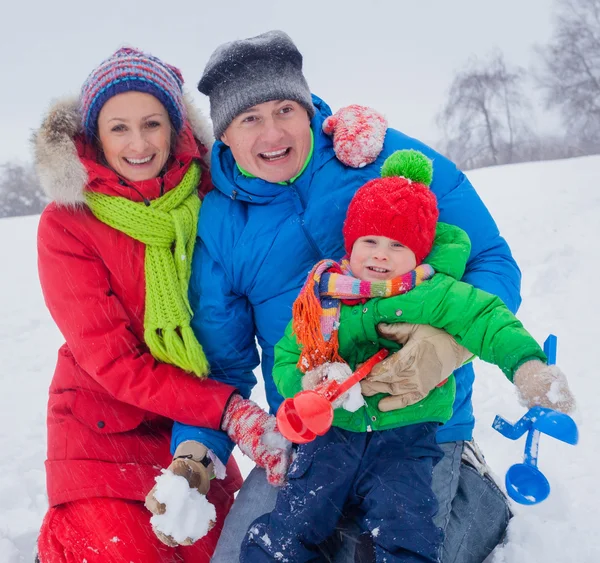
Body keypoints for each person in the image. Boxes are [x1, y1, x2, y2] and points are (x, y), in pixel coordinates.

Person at [146, 30, 530, 562]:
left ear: (308, 110)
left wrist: (449, 343)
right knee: (246, 555)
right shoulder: (221, 224)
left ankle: (474, 494)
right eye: (249, 118)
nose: (273, 131)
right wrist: (195, 453)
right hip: (311, 434)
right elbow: (221, 364)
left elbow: (492, 260)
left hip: (418, 421)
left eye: (285, 109)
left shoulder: (386, 160)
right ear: (225, 136)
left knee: (389, 550)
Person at [239, 150, 576, 562]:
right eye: (370, 241)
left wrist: (527, 367)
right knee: (296, 518)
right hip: (332, 436)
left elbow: (487, 318)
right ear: (351, 244)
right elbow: (288, 357)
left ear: (418, 253)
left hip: (405, 437)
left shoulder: (432, 294)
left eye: (397, 245)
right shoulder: (323, 297)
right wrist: (306, 382)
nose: (381, 254)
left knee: (406, 523)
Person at [32, 46, 297, 563]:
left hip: (191, 429)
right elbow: (112, 362)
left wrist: (340, 129)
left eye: (152, 123)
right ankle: (64, 540)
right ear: (94, 135)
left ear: (175, 126)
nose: (138, 143)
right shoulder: (66, 222)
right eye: (119, 128)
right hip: (101, 428)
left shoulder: (211, 190)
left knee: (229, 552)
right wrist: (226, 408)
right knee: (126, 551)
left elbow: (279, 148)